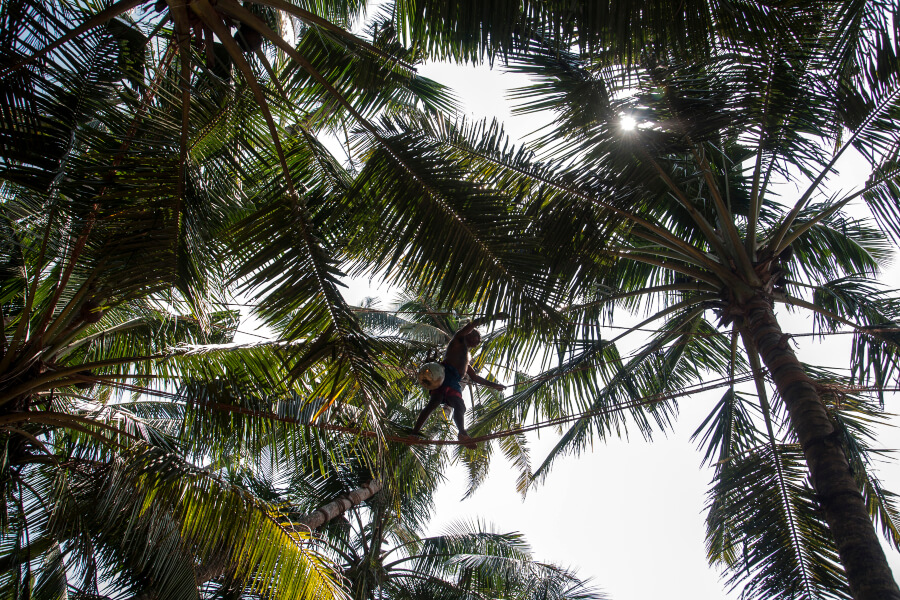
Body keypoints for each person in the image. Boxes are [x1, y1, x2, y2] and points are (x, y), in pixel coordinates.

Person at [411, 315, 507, 448]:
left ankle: (462, 433)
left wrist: (495, 385)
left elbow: (475, 377)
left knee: (459, 406)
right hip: (444, 375)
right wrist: (494, 316)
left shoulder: (466, 358)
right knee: (434, 402)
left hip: (454, 381)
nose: (478, 342)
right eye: (477, 338)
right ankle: (414, 433)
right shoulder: (458, 340)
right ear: (470, 334)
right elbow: (473, 324)